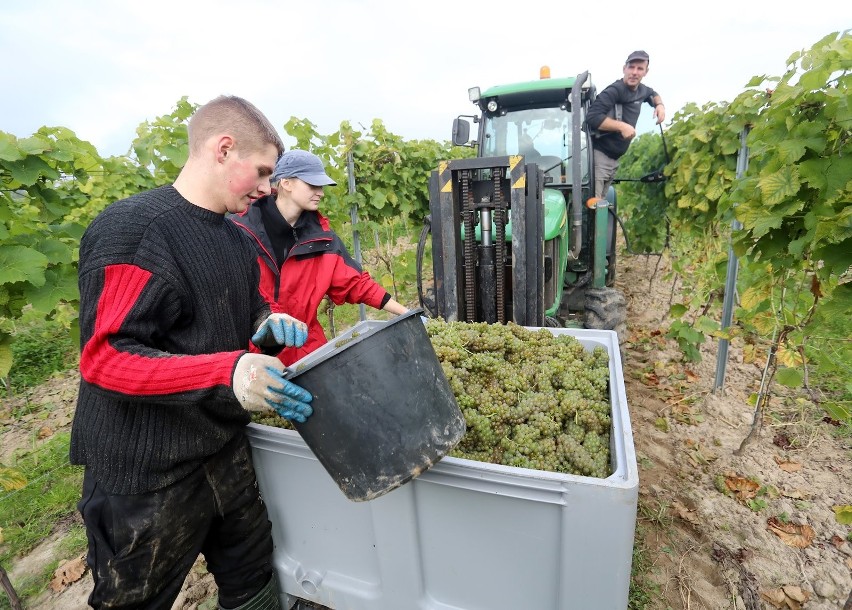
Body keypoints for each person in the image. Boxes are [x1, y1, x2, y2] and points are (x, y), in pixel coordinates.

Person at [71, 95, 314, 610]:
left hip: (222, 451)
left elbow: (246, 317)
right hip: (145, 473)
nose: (269, 189)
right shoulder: (134, 231)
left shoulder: (236, 239)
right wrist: (230, 371)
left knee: (253, 579)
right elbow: (105, 359)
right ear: (224, 149)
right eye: (264, 171)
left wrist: (268, 327)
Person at [229, 149, 409, 366]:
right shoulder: (239, 232)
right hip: (253, 359)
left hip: (309, 353)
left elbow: (357, 284)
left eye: (321, 186)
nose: (321, 192)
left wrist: (407, 314)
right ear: (286, 183)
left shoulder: (323, 240)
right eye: (312, 185)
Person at [586, 50, 665, 199]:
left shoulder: (642, 90)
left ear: (646, 72)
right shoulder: (614, 90)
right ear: (624, 68)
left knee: (601, 206)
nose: (635, 72)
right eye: (631, 67)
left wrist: (660, 105)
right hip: (599, 157)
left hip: (614, 160)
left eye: (640, 68)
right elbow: (592, 117)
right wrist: (622, 126)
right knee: (595, 208)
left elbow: (652, 93)